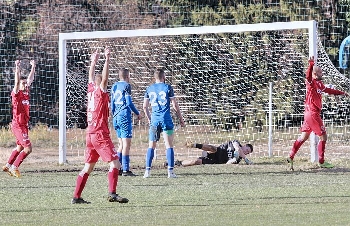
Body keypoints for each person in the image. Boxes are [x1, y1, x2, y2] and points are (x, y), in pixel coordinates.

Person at [71, 48, 128, 204]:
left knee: (87, 167)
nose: (106, 84)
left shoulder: (90, 90)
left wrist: (93, 61)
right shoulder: (99, 91)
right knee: (116, 163)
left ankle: (76, 196)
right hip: (99, 133)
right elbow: (104, 78)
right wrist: (107, 59)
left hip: (90, 134)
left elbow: (91, 77)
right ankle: (112, 193)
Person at [287, 56, 349, 170]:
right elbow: (308, 76)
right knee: (323, 137)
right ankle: (321, 161)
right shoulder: (311, 82)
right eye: (320, 72)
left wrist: (342, 93)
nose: (322, 73)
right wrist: (311, 65)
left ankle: (291, 156)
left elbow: (329, 90)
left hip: (308, 114)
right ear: (315, 74)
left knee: (303, 137)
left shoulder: (320, 84)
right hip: (312, 114)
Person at [143, 68, 185, 178]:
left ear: (154, 78)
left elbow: (144, 106)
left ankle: (147, 171)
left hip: (155, 120)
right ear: (164, 77)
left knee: (151, 146)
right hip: (166, 119)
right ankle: (170, 172)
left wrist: (149, 118)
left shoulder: (149, 88)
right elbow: (175, 105)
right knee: (169, 145)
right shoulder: (168, 87)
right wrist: (181, 118)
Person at [2, 59, 36, 178]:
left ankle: (7, 165)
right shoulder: (16, 94)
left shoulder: (26, 92)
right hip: (18, 125)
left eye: (25, 83)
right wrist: (17, 67)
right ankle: (14, 167)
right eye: (23, 83)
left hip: (23, 125)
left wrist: (33, 67)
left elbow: (30, 79)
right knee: (28, 148)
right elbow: (16, 82)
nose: (25, 84)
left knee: (20, 147)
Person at [111, 68, 141, 176]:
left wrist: (115, 115)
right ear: (128, 76)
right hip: (124, 117)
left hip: (116, 117)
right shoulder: (127, 86)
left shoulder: (114, 86)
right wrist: (137, 113)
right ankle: (126, 170)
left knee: (121, 144)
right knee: (126, 145)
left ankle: (117, 168)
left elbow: (112, 105)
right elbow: (128, 102)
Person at [172, 140, 253, 167]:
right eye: (247, 149)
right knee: (213, 148)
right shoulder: (237, 143)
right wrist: (245, 159)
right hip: (215, 151)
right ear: (245, 145)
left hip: (215, 161)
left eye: (247, 153)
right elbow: (237, 147)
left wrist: (233, 160)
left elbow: (227, 164)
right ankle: (194, 145)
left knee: (196, 162)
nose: (246, 152)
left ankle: (177, 163)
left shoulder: (238, 159)